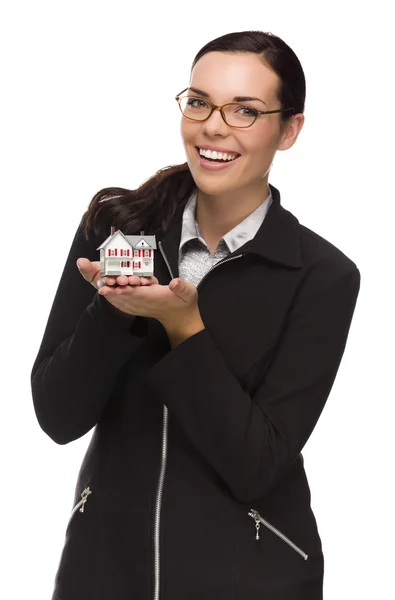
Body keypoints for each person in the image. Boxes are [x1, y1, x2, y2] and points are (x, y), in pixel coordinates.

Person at [31, 30, 361, 600]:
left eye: (245, 110)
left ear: (289, 130)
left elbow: (258, 465)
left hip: (253, 579)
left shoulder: (322, 275)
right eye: (199, 101)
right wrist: (115, 313)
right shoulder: (117, 230)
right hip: (106, 571)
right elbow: (58, 415)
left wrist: (185, 328)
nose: (213, 126)